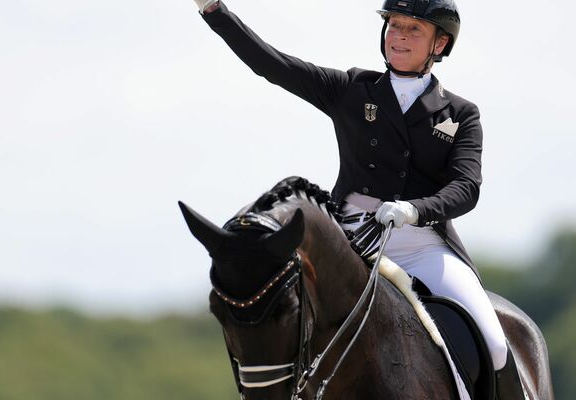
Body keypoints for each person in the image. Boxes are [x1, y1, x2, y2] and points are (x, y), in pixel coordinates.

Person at [193, 0, 523, 398]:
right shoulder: (351, 89)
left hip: (421, 246)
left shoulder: (459, 114)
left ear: (440, 44)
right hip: (350, 244)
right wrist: (214, 10)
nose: (398, 35)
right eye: (394, 25)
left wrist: (415, 210)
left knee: (495, 341)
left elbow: (466, 186)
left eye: (413, 29)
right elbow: (272, 64)